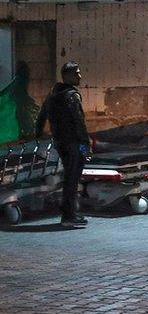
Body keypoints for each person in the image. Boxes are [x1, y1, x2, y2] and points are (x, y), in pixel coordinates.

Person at [35, 61, 90, 228]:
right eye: (77, 73)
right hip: (74, 143)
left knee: (69, 177)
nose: (80, 76)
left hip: (60, 141)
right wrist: (85, 144)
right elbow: (79, 122)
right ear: (68, 75)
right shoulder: (71, 95)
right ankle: (69, 216)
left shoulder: (52, 94)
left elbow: (41, 117)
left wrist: (39, 134)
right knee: (73, 178)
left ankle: (70, 213)